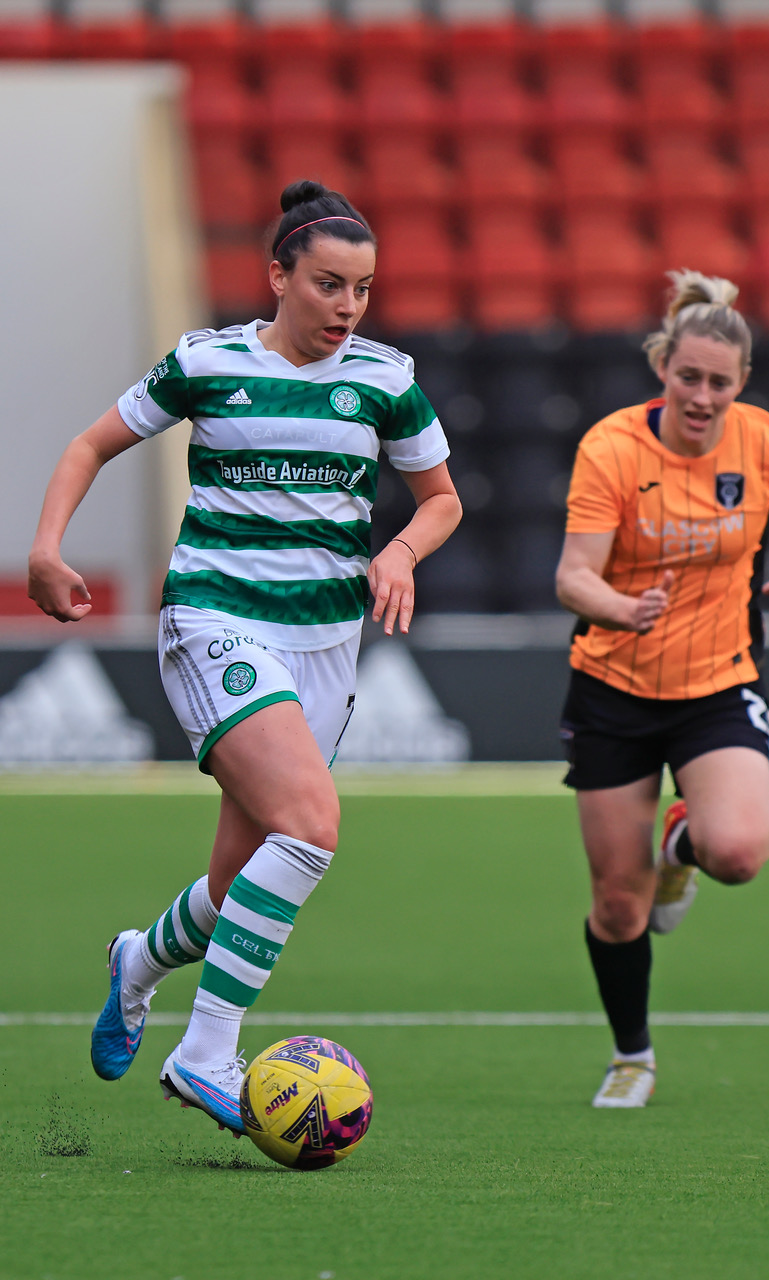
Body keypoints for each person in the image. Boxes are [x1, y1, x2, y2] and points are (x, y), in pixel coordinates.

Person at [28, 179, 462, 1135]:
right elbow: (89, 446)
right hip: (216, 621)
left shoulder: (385, 380)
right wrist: (48, 547)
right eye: (327, 284)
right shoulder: (205, 362)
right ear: (277, 277)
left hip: (326, 645)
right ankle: (205, 1053)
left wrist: (399, 551)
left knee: (238, 886)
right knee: (309, 827)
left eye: (362, 288)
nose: (347, 307)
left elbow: (442, 499)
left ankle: (138, 960)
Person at [554, 270, 769, 1109]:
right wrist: (622, 608)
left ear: (741, 382)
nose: (702, 397)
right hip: (612, 686)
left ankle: (682, 846)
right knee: (617, 903)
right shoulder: (611, 448)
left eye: (719, 382)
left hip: (717, 683)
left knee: (737, 854)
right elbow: (573, 577)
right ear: (662, 369)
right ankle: (631, 1056)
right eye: (688, 377)